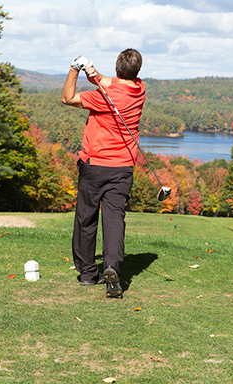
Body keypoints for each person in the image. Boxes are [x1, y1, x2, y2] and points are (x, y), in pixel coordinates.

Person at [60, 49, 145, 299]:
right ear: (136, 72)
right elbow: (112, 81)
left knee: (86, 218)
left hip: (95, 166)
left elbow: (67, 98)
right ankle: (111, 267)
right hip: (123, 168)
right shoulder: (139, 89)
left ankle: (87, 273)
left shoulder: (102, 97)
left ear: (117, 68)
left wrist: (75, 67)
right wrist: (94, 74)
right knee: (114, 220)